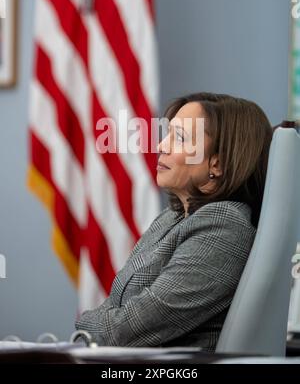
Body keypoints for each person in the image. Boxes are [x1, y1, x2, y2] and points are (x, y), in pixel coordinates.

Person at [75, 92, 273, 352]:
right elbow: (119, 313)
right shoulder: (172, 218)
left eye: (179, 138)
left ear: (218, 163)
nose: (161, 146)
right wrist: (97, 325)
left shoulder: (224, 226)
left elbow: (125, 331)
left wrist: (84, 323)